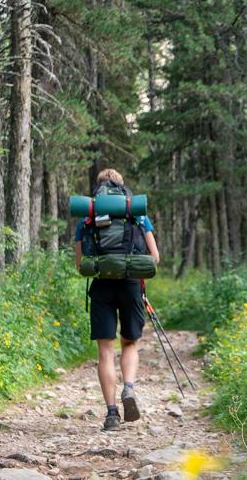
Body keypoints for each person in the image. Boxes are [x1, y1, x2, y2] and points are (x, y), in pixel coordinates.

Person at [74, 168, 161, 432]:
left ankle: (111, 414)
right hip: (131, 284)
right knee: (130, 343)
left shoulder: (88, 215)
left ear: (98, 188)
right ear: (123, 188)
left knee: (105, 351)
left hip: (102, 286)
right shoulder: (136, 212)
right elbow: (155, 257)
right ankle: (129, 388)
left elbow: (80, 265)